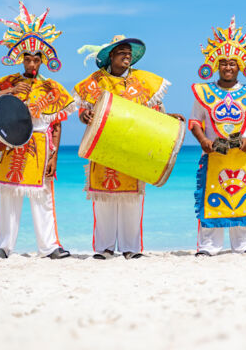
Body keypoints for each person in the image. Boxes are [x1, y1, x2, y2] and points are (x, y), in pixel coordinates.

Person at [0, 1, 76, 259]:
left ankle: (50, 247)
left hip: (41, 145)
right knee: (9, 194)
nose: (32, 63)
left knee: (42, 197)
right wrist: (8, 92)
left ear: (43, 61)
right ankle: (3, 246)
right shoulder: (9, 81)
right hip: (11, 143)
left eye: (36, 59)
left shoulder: (52, 88)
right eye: (28, 58)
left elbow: (57, 123)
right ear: (21, 59)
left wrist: (55, 156)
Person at [75, 35, 183, 260]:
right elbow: (84, 111)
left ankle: (131, 249)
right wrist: (84, 115)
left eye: (129, 53)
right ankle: (104, 248)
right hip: (103, 146)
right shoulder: (96, 81)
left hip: (134, 145)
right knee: (103, 200)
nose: (127, 56)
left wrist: (168, 118)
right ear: (110, 56)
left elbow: (155, 111)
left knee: (131, 200)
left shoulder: (142, 81)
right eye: (122, 52)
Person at [189, 16, 246, 257]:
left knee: (244, 195)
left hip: (242, 156)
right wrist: (204, 141)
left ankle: (243, 245)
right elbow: (194, 122)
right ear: (216, 65)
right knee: (211, 197)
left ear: (240, 66)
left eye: (233, 63)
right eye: (223, 63)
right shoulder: (204, 92)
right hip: (214, 155)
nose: (228, 67)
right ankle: (208, 246)